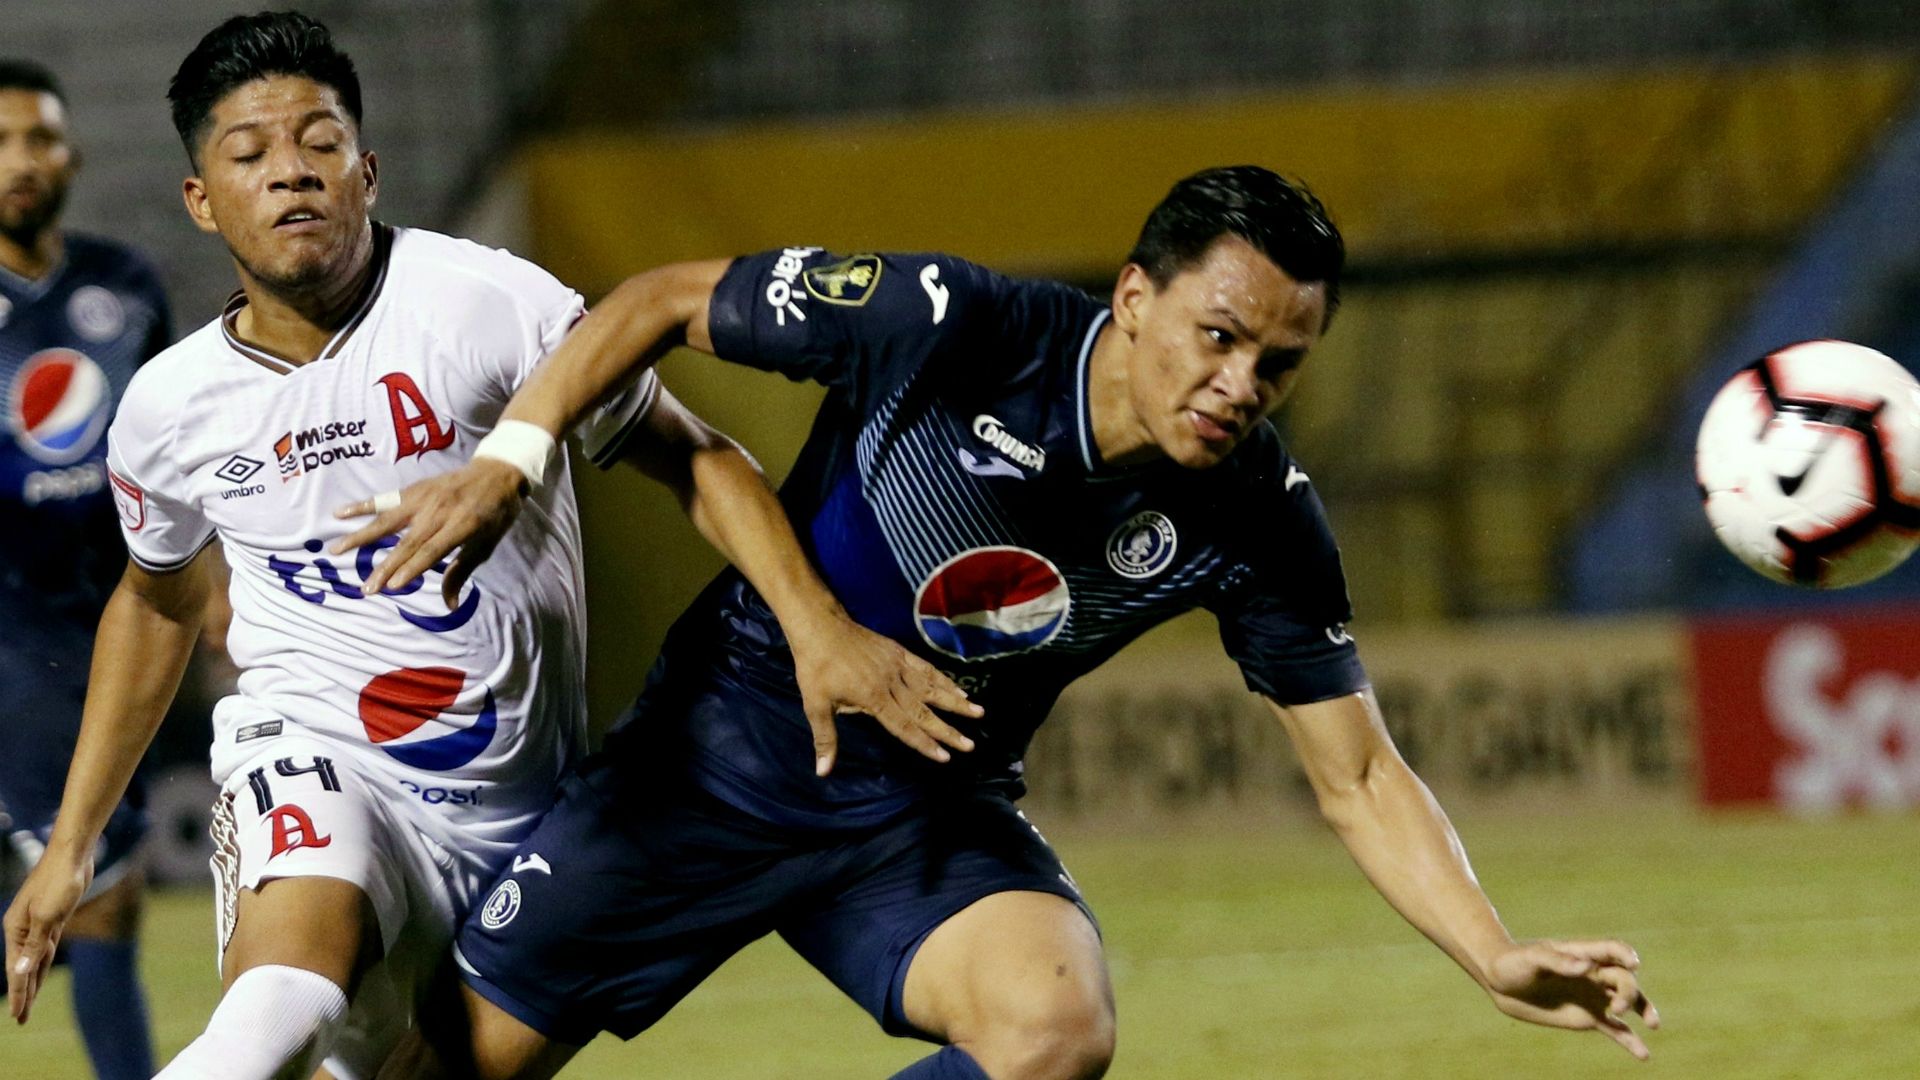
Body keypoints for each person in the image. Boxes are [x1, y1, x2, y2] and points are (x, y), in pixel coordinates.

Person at [343, 166, 1662, 1079]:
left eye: (1279, 363)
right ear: (1135, 296)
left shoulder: (1260, 517)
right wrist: (511, 460)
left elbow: (1361, 774)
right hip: (721, 755)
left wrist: (1492, 954)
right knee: (453, 1067)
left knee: (1055, 1027)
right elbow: (654, 303)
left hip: (925, 810)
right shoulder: (950, 326)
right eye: (1218, 336)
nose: (1240, 383)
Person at [2, 14, 971, 1079]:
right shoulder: (169, 406)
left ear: (367, 171)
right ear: (202, 200)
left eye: (318, 143)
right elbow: (157, 601)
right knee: (277, 1013)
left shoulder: (488, 305)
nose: (291, 174)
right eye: (250, 154)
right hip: (317, 750)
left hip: (524, 812)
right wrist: (72, 844)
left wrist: (819, 627)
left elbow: (696, 457)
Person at [0, 57, 170, 1080]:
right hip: (10, 634)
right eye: (1, 141)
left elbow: (176, 449)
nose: (22, 161)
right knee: (97, 888)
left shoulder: (127, 283)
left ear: (72, 154)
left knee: (106, 902)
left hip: (117, 617)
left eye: (40, 138)